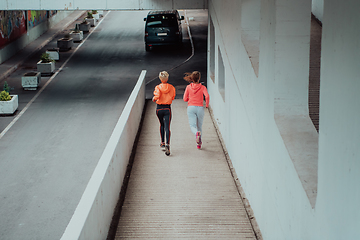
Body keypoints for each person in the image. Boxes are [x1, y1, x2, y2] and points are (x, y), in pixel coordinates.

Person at [183, 71, 210, 149]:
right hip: (200, 108)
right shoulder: (203, 87)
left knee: (192, 126)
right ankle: (199, 144)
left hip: (191, 107)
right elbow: (207, 96)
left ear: (192, 78)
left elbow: (185, 99)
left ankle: (196, 133)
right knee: (199, 126)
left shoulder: (188, 87)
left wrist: (190, 99)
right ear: (199, 78)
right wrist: (207, 105)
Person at [153, 71, 176, 156]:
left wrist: (154, 98)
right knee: (167, 127)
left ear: (160, 78)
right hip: (167, 108)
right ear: (167, 78)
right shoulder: (171, 87)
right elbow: (173, 97)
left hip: (159, 109)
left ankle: (162, 143)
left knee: (161, 125)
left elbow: (157, 96)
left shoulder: (158, 87)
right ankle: (167, 144)